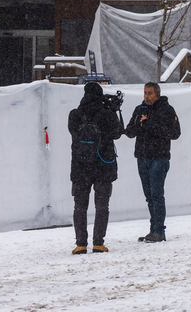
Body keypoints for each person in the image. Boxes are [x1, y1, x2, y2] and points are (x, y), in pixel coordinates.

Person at [68, 82, 123, 255]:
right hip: (103, 165)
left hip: (80, 166)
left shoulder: (75, 114)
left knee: (80, 206)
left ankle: (81, 244)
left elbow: (73, 133)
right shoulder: (106, 114)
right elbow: (117, 133)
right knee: (102, 205)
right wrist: (113, 110)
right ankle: (98, 243)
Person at [125, 82, 181, 243]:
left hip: (159, 157)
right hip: (142, 157)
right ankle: (153, 229)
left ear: (157, 94)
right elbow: (129, 132)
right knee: (149, 196)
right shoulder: (139, 110)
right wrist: (139, 124)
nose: (146, 97)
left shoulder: (167, 110)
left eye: (149, 93)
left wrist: (151, 125)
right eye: (144, 93)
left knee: (157, 195)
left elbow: (175, 133)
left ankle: (159, 231)